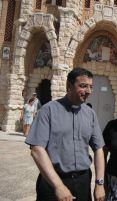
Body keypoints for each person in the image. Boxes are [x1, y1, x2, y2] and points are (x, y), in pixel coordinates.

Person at [25, 68, 106, 201]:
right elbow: (36, 149)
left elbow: (98, 149)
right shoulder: (48, 111)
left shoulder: (90, 114)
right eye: (83, 86)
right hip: (52, 182)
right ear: (69, 86)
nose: (89, 91)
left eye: (91, 87)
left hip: (82, 182)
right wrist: (58, 186)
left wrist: (99, 184)